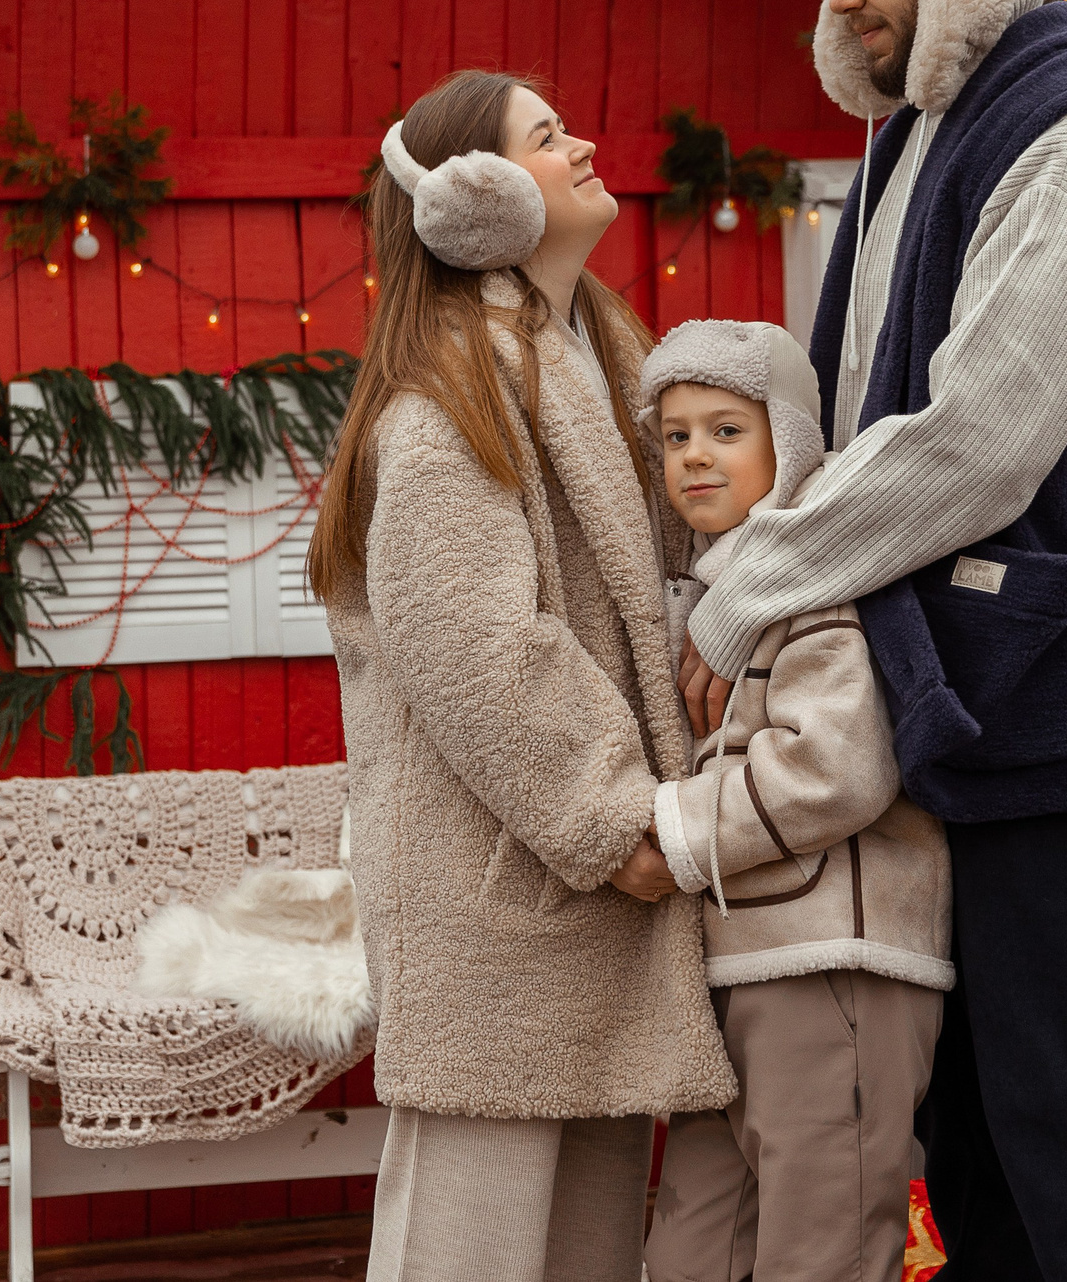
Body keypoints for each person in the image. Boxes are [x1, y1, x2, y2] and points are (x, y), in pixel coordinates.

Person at [680, 0, 1067, 1279]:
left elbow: (979, 439)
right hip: (947, 724)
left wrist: (745, 592)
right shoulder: (914, 134)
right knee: (978, 1164)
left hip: (1053, 719)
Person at [306, 68, 735, 1282]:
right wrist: (615, 819)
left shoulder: (592, 357)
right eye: (548, 136)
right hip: (508, 898)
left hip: (586, 899)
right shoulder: (448, 402)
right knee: (470, 1254)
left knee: (583, 1251)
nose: (586, 143)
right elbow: (479, 646)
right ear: (475, 196)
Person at [632, 318, 953, 1282]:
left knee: (824, 1244)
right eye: (675, 434)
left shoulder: (819, 576)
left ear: (789, 437)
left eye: (726, 429)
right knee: (694, 1246)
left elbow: (836, 768)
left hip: (832, 958)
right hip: (727, 967)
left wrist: (675, 832)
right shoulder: (696, 589)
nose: (694, 455)